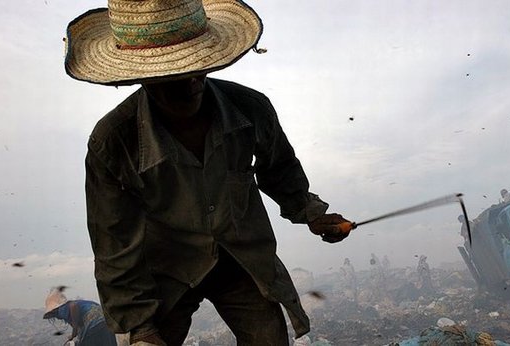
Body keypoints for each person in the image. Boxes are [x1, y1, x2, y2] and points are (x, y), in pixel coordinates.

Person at [66, 1, 352, 345]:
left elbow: (279, 169)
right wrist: (140, 327)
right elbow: (113, 242)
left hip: (241, 258)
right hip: (166, 272)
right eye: (170, 79)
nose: (189, 84)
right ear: (141, 78)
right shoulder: (113, 141)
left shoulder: (250, 108)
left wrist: (312, 214)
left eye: (196, 69)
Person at [43, 288, 117, 346]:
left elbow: (73, 306)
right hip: (107, 322)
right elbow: (80, 328)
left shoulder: (64, 308)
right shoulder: (80, 304)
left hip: (94, 324)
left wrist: (74, 331)